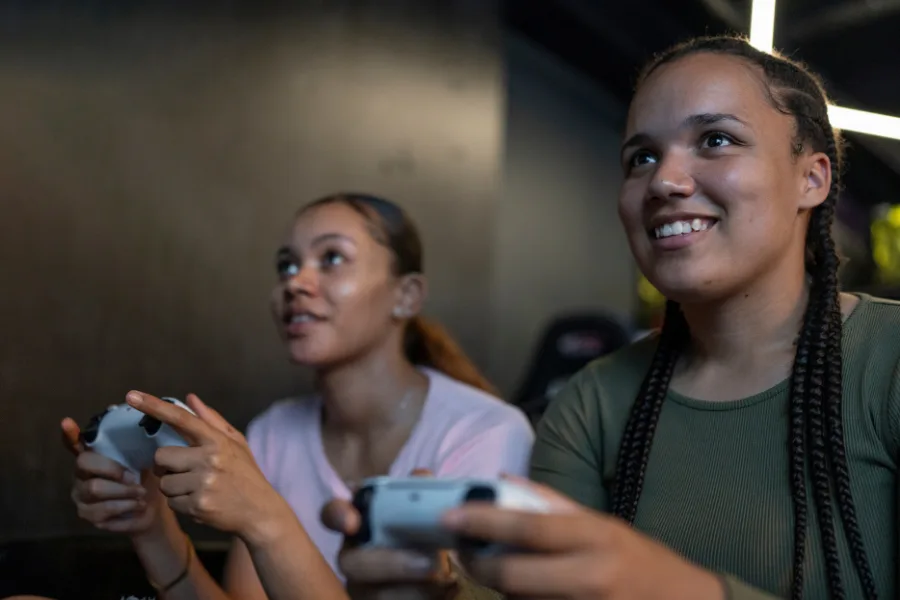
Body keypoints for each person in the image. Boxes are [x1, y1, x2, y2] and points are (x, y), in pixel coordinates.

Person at [324, 35, 900, 600]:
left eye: (716, 139)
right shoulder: (592, 401)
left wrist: (660, 585)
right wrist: (438, 589)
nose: (665, 181)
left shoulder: (888, 360)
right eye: (641, 157)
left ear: (812, 178)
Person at [60, 193, 534, 599]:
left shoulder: (486, 433)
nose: (295, 283)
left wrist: (265, 518)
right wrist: (151, 525)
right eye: (286, 265)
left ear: (406, 296)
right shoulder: (275, 430)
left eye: (331, 258)